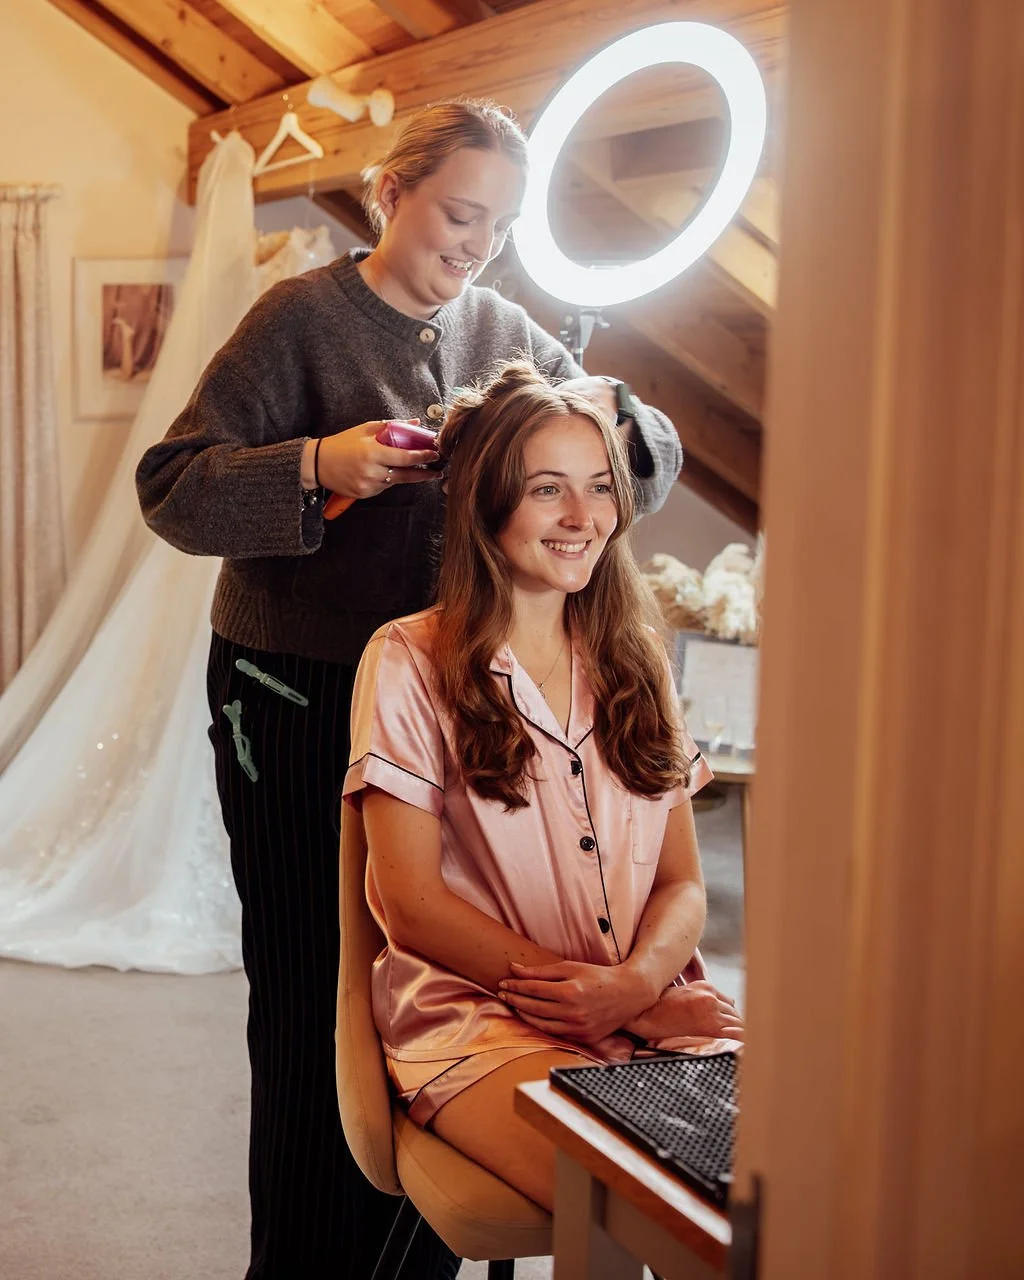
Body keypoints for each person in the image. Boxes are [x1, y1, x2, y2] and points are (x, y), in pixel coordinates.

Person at [135, 100, 682, 1279]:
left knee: (430, 1002)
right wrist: (319, 465)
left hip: (445, 712)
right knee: (312, 1004)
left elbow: (642, 458)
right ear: (391, 195)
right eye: (459, 213)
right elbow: (170, 489)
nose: (476, 243)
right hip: (295, 697)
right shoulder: (298, 323)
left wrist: (616, 418)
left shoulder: (505, 327)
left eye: (500, 225)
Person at [344, 362, 743, 1211]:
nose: (582, 517)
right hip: (481, 1020)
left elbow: (682, 886)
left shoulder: (639, 660)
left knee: (786, 1189)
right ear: (487, 504)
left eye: (600, 488)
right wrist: (610, 1006)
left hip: (651, 996)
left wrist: (635, 989)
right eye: (548, 490)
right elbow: (410, 904)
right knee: (637, 1199)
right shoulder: (409, 660)